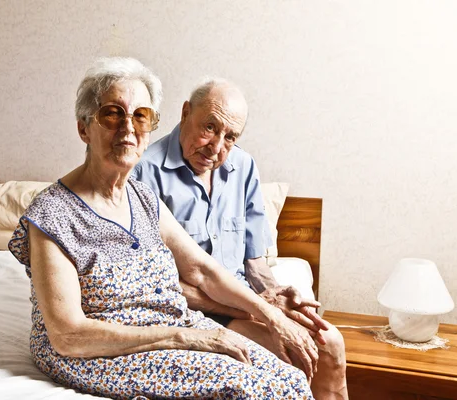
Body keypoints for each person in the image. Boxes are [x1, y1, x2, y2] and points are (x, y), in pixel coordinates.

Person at [8, 57, 316, 399]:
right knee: (260, 391)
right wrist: (193, 338)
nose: (128, 128)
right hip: (104, 346)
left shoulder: (143, 198)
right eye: (112, 113)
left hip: (173, 326)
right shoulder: (53, 214)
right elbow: (67, 334)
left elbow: (202, 271)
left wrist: (272, 316)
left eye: (140, 116)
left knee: (290, 380)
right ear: (84, 127)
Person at [132, 79, 349, 399]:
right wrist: (254, 310)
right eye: (209, 127)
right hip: (190, 309)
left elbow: (254, 261)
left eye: (230, 137)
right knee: (293, 357)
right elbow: (151, 283)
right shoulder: (142, 173)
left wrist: (271, 292)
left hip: (244, 301)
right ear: (185, 112)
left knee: (331, 342)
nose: (217, 147)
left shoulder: (243, 167)